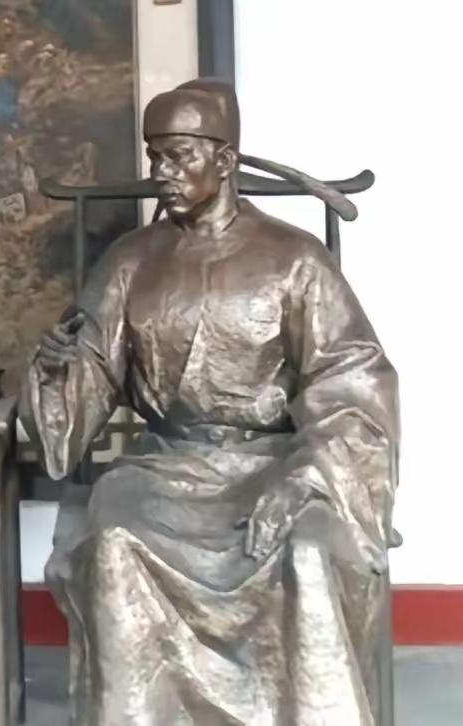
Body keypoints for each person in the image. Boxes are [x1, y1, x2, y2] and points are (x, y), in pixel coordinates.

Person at [20, 78, 399, 726]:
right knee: (114, 544)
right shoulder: (130, 262)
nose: (161, 172)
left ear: (224, 160)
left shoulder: (295, 261)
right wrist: (59, 371)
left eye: (179, 156)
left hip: (276, 465)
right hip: (162, 469)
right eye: (155, 157)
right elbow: (90, 378)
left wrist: (308, 476)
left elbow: (352, 381)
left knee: (308, 549)